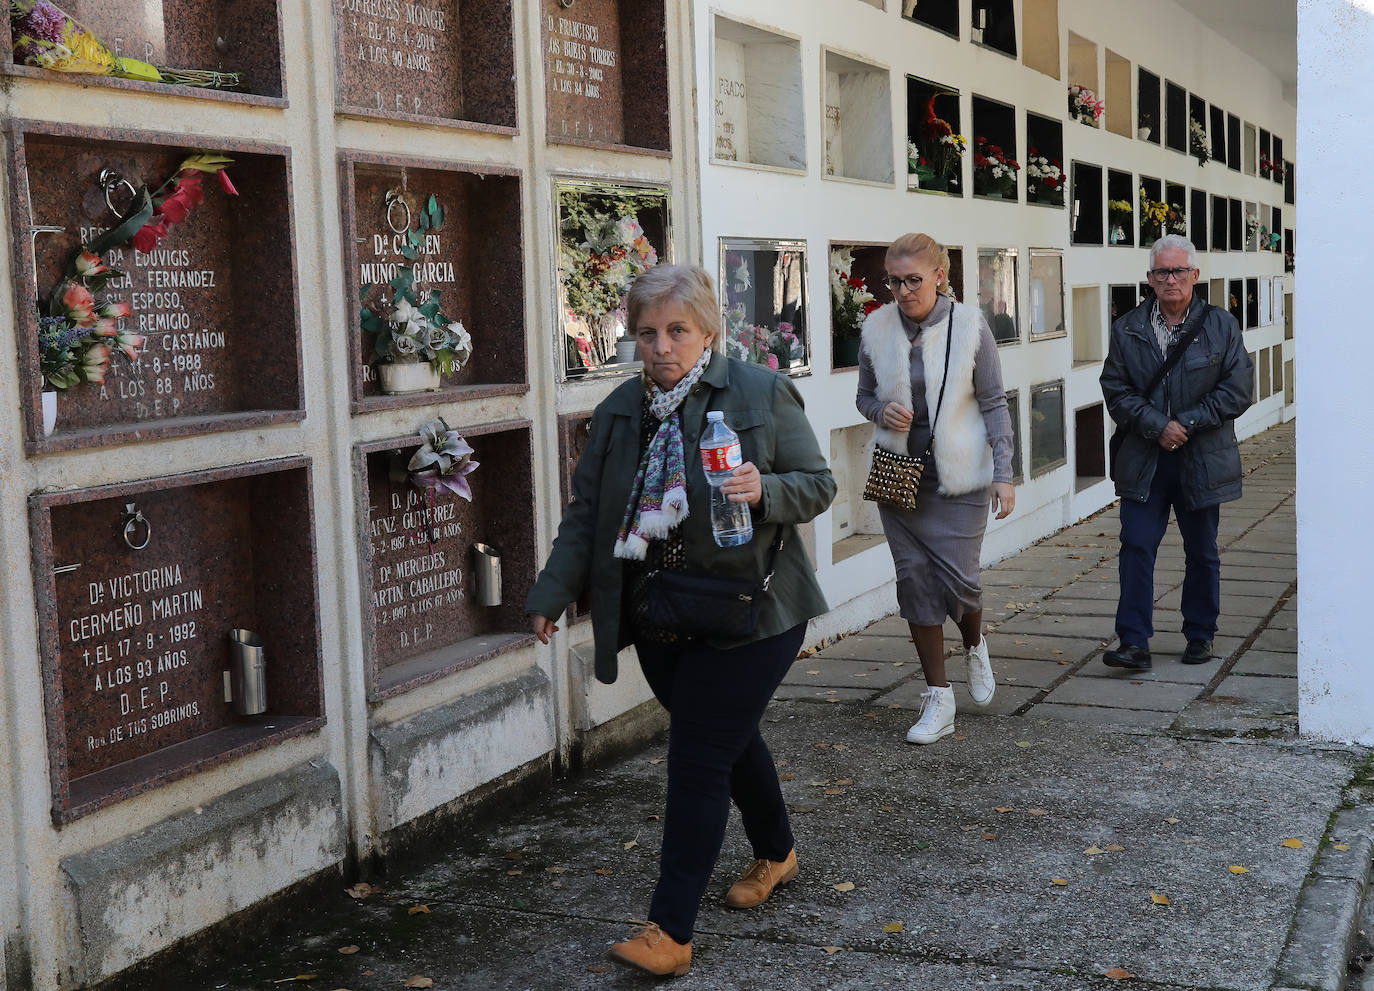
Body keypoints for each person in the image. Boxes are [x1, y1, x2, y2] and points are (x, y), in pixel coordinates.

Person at [526, 264, 836, 978]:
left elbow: (819, 483)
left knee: (697, 756)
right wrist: (550, 591)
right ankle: (779, 852)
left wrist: (767, 489)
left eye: (677, 330)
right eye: (647, 333)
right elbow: (586, 516)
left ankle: (670, 930)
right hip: (664, 613)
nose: (662, 346)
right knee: (728, 739)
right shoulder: (618, 413)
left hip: (756, 610)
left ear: (708, 332)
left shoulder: (759, 392)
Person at [855, 233, 1015, 745]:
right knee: (915, 581)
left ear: (940, 275)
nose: (902, 291)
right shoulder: (875, 326)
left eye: (913, 280)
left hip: (961, 478)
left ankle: (974, 643)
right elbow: (863, 396)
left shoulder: (971, 326)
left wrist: (1004, 473)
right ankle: (938, 697)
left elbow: (993, 401)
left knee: (961, 580)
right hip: (901, 477)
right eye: (894, 281)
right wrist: (882, 410)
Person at [1099, 234, 1252, 670]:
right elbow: (1115, 390)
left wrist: (1185, 423)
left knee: (1202, 550)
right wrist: (1156, 425)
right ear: (1149, 279)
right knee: (1136, 546)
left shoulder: (1221, 325)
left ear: (1195, 276)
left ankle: (1200, 634)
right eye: (1162, 272)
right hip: (1145, 458)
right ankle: (1133, 642)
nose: (1171, 279)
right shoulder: (1127, 327)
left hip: (1201, 458)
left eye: (1179, 271)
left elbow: (1238, 389)